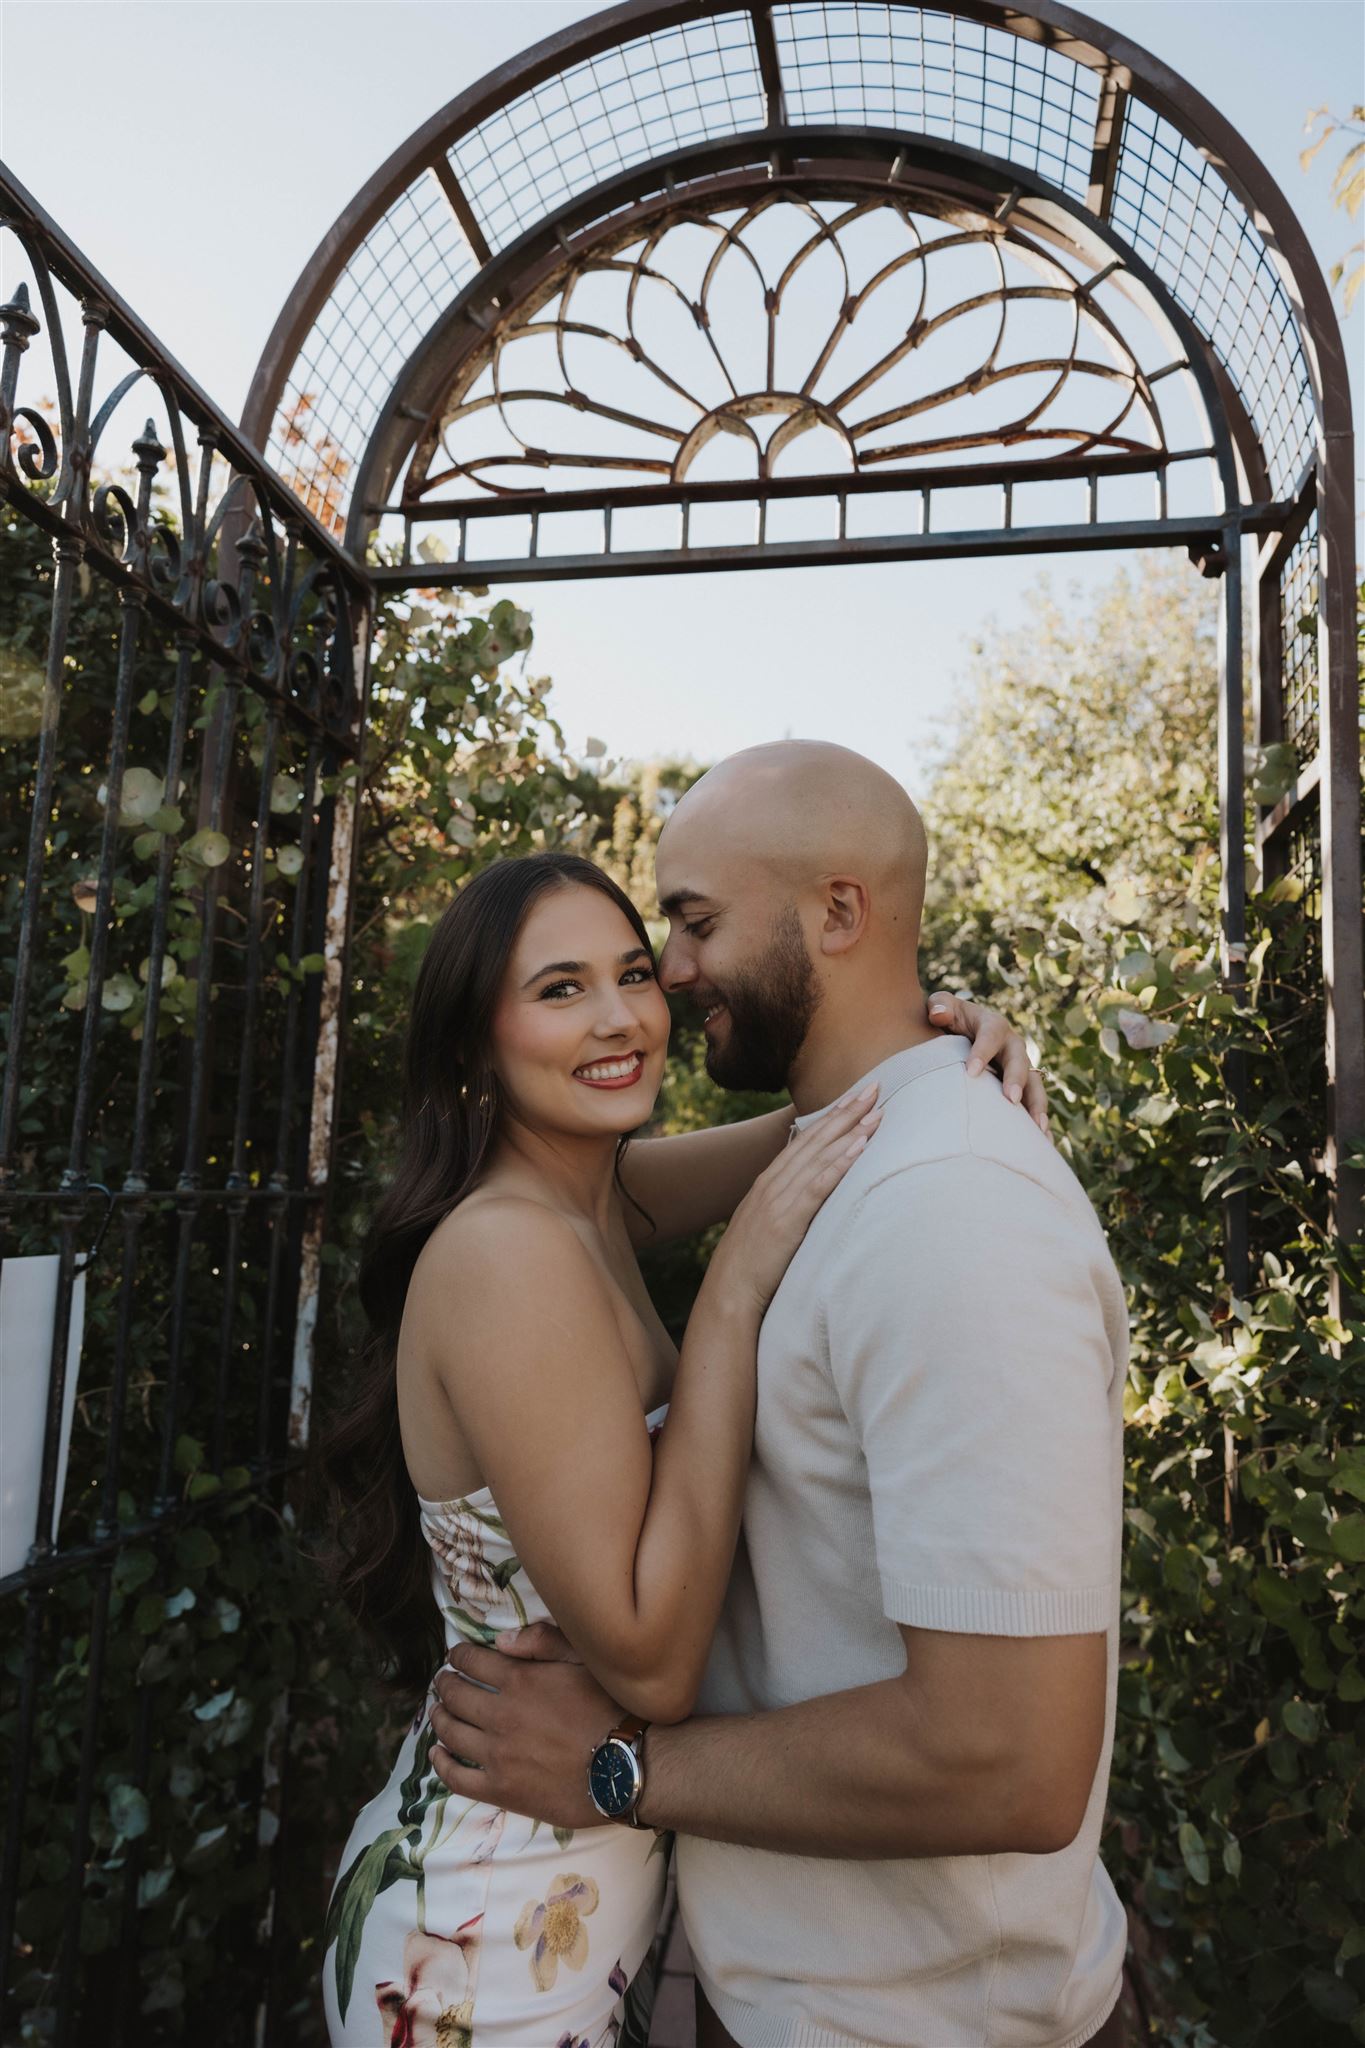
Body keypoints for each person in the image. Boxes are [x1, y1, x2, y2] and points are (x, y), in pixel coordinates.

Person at [427, 742, 1129, 2048]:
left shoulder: (943, 1211)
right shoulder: (555, 1231)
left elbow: (1009, 1759)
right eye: (567, 985)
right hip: (612, 1951)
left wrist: (619, 1770)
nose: (659, 987)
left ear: (840, 912)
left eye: (675, 934)